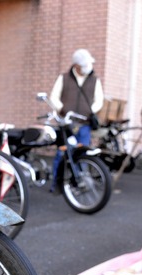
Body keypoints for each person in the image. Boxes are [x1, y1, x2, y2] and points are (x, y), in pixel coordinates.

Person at [48, 48, 104, 192]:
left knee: (82, 154)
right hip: (66, 124)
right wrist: (62, 108)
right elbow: (54, 97)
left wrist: (91, 110)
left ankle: (79, 183)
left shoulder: (94, 80)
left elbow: (99, 100)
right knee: (62, 153)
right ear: (76, 65)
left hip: (84, 124)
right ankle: (57, 183)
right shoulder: (64, 78)